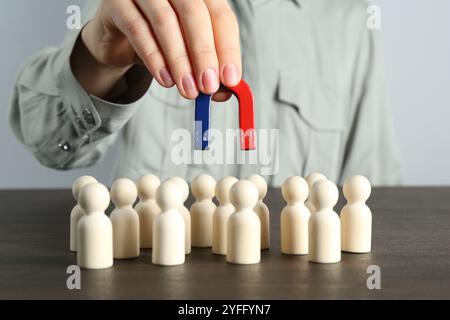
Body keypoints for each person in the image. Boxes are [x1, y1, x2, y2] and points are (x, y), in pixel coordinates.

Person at [9, 0, 402, 186]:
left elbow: (374, 192)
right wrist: (99, 56)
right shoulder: (139, 7)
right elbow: (46, 143)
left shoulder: (349, 22)